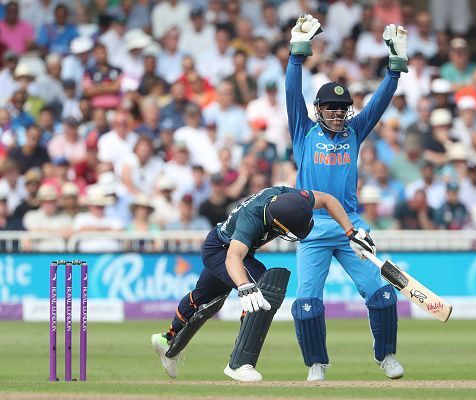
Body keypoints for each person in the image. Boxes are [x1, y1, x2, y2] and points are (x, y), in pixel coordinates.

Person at [285, 15, 407, 381]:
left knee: (382, 295)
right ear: (318, 110)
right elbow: (292, 91)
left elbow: (379, 103)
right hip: (310, 227)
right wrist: (296, 57)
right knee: (307, 304)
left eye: (342, 109)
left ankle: (386, 356)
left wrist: (395, 70)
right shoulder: (303, 131)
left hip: (351, 226)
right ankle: (316, 364)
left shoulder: (355, 130)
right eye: (331, 109)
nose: (338, 114)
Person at [151, 187, 375, 382]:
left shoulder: (292, 198)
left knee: (206, 300)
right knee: (265, 291)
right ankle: (239, 364)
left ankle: (166, 340)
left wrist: (350, 232)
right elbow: (233, 257)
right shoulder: (253, 217)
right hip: (222, 250)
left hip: (230, 247)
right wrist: (244, 286)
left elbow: (327, 199)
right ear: (277, 223)